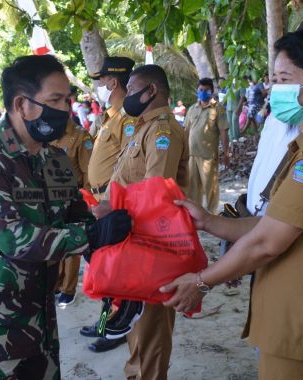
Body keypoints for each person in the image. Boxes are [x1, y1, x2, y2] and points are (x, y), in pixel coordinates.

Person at [162, 20, 303, 380]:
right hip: (287, 320)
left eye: (286, 79)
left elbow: (268, 240)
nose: (275, 89)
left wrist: (201, 282)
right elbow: (271, 220)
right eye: (274, 78)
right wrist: (211, 221)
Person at [0, 55, 131, 380]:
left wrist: (102, 219)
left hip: (41, 317)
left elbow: (76, 216)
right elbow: (13, 239)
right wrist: (92, 235)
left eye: (67, 100)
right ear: (22, 104)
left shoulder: (55, 159)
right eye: (54, 100)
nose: (64, 109)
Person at [97, 64, 188, 380]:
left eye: (132, 88)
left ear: (151, 91)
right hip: (131, 241)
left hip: (152, 245)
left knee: (151, 331)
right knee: (134, 326)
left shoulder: (163, 130)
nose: (126, 95)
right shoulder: (141, 127)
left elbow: (155, 195)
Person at [80, 56, 137, 353]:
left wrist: (110, 201)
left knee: (115, 273)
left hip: (112, 203)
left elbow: (127, 166)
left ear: (113, 82)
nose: (100, 85)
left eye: (101, 80)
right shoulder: (111, 115)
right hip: (101, 200)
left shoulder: (127, 118)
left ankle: (113, 330)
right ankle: (105, 324)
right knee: (105, 272)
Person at [52, 115, 94, 307]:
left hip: (73, 196)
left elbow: (88, 171)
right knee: (54, 242)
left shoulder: (81, 136)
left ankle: (68, 289)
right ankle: (56, 284)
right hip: (51, 198)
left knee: (72, 243)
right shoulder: (46, 134)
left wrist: (86, 200)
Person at [184, 77, 229, 214]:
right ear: (197, 90)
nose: (203, 92)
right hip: (192, 155)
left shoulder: (218, 109)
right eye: (201, 89)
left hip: (208, 155)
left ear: (212, 91)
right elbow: (186, 131)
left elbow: (223, 132)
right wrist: (182, 151)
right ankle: (194, 214)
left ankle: (212, 214)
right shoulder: (192, 109)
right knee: (192, 188)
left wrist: (227, 153)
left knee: (211, 188)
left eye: (206, 90)